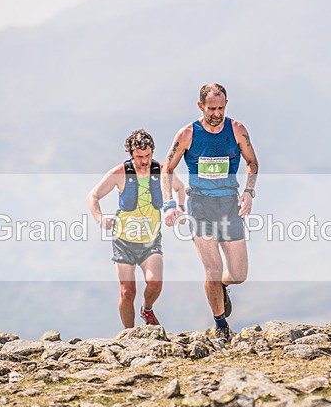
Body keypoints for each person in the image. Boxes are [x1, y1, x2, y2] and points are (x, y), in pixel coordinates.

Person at [162, 83, 259, 341]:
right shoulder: (187, 134)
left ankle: (223, 287)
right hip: (200, 206)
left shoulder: (236, 130)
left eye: (221, 108)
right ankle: (221, 326)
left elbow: (252, 163)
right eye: (211, 109)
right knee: (212, 270)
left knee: (238, 274)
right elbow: (166, 169)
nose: (217, 114)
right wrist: (169, 203)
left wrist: (249, 192)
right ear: (200, 106)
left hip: (229, 203)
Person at [88, 129, 185, 329]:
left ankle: (147, 309)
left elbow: (180, 188)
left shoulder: (161, 170)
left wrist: (180, 209)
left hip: (151, 240)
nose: (144, 161)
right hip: (123, 241)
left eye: (148, 156)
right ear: (131, 154)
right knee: (127, 292)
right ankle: (129, 336)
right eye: (140, 157)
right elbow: (93, 196)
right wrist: (100, 219)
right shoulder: (119, 173)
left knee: (154, 282)